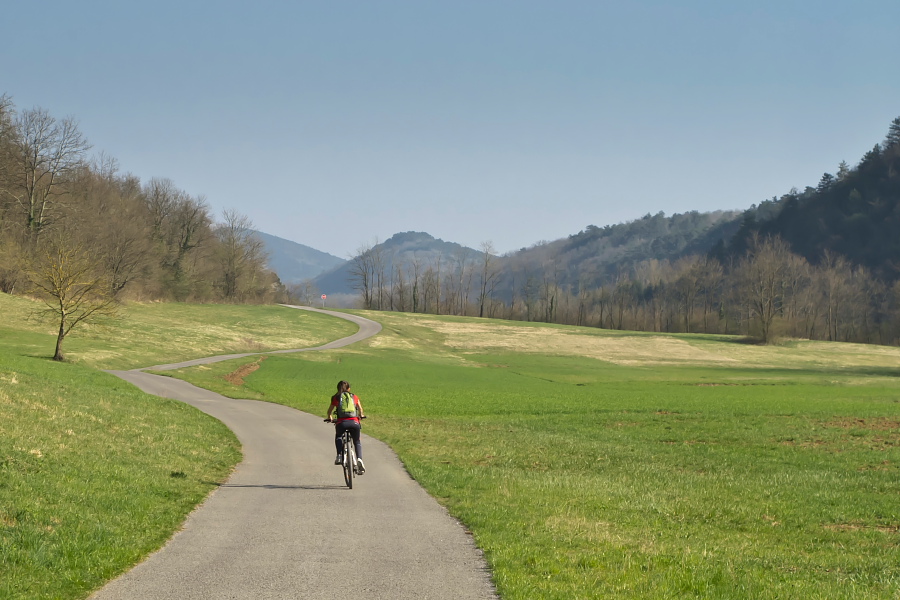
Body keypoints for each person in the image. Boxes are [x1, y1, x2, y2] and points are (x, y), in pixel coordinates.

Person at [325, 380, 366, 473]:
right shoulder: (354, 397)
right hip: (354, 423)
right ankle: (359, 459)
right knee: (357, 441)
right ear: (349, 389)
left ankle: (339, 455)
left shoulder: (336, 398)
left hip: (342, 423)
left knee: (339, 436)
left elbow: (329, 411)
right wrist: (361, 415)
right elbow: (360, 409)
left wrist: (330, 417)